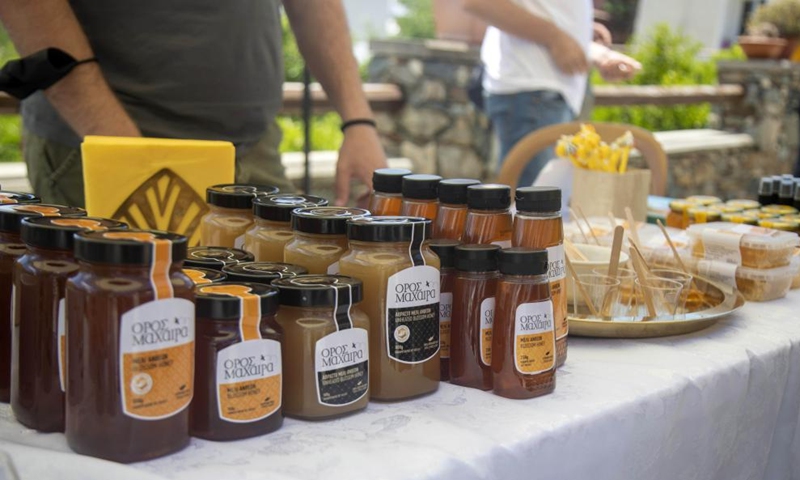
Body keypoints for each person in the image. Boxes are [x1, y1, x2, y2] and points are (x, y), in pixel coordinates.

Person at [0, 0, 387, 207]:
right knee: (130, 338)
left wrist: (358, 121)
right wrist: (123, 152)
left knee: (264, 332)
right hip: (107, 142)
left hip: (254, 148)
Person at [462, 0, 640, 187]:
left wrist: (591, 48)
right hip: (532, 93)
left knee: (544, 206)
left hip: (543, 95)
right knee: (534, 209)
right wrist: (556, 38)